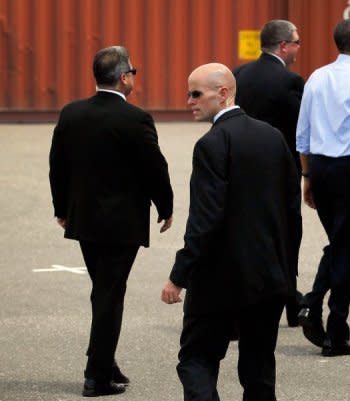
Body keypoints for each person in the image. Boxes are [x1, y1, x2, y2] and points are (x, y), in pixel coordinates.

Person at [161, 63, 301, 401]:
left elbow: (204, 220)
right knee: (259, 373)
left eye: (196, 93)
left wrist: (179, 276)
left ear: (223, 93)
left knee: (196, 360)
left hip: (218, 282)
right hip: (268, 278)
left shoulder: (212, 144)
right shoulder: (273, 137)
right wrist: (287, 273)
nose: (189, 101)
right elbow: (291, 212)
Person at [49, 46, 174, 397]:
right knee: (109, 293)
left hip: (85, 220)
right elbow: (155, 167)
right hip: (122, 225)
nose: (134, 76)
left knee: (103, 289)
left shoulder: (72, 113)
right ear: (123, 77)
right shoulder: (136, 119)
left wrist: (62, 208)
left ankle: (103, 359)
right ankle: (97, 376)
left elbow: (57, 164)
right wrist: (165, 206)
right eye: (133, 71)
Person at [295, 18, 350, 356]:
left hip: (321, 169)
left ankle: (318, 313)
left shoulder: (316, 77)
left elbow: (302, 133)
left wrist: (307, 176)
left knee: (339, 244)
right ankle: (328, 323)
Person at [234, 19, 305, 327]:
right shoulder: (290, 81)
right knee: (286, 234)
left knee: (244, 233)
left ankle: (239, 304)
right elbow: (299, 129)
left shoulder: (239, 75)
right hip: (278, 171)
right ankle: (289, 300)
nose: (299, 48)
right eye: (297, 42)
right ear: (283, 46)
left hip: (239, 168)